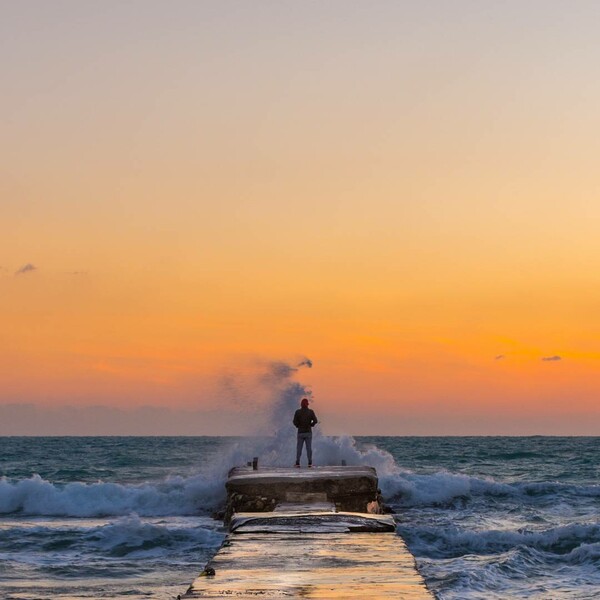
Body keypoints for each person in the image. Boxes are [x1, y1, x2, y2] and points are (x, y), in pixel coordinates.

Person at [293, 398, 318, 467]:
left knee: (299, 448)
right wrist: (311, 425)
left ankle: (297, 462)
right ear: (307, 404)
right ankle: (310, 462)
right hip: (308, 432)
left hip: (300, 432)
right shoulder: (310, 412)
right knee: (309, 448)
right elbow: (315, 421)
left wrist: (298, 425)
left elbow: (294, 422)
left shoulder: (298, 412)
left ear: (301, 404)